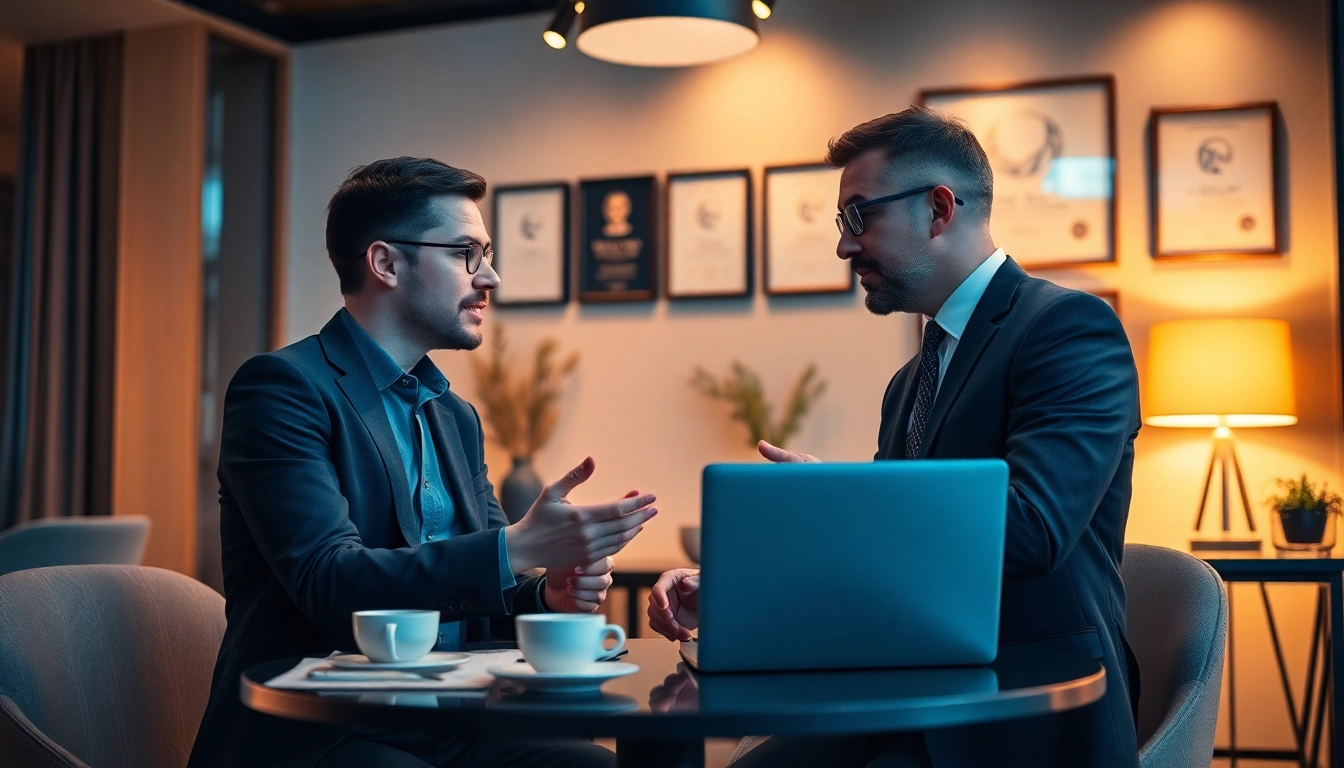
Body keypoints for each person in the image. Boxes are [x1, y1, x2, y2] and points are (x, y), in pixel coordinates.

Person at [648, 106, 1141, 768]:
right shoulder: (912, 379)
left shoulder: (1070, 329)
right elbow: (888, 566)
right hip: (913, 694)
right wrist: (739, 590)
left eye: (860, 216)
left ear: (939, 209)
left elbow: (1034, 529)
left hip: (1023, 708)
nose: (845, 246)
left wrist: (832, 499)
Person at [187, 157, 658, 768]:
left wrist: (547, 594)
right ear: (385, 263)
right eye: (466, 253)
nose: (489, 277)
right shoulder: (281, 389)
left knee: (593, 763)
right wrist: (516, 547)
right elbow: (327, 580)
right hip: (325, 730)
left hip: (454, 720)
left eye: (486, 254)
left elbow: (486, 590)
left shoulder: (455, 416)